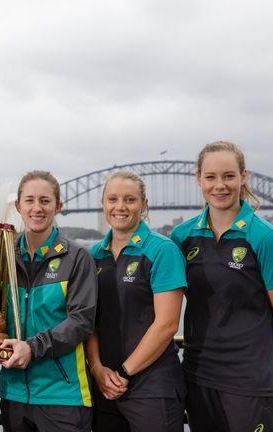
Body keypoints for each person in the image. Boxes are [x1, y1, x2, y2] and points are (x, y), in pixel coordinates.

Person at [170, 141, 273, 432]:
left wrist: (258, 364)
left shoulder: (266, 238)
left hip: (250, 381)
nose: (220, 185)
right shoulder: (181, 237)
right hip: (199, 376)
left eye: (228, 176)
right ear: (198, 179)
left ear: (243, 176)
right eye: (211, 177)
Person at [86, 171, 186, 431]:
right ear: (104, 204)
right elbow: (88, 321)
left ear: (144, 205)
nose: (120, 207)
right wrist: (97, 369)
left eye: (130, 200)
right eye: (113, 199)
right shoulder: (93, 256)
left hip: (152, 386)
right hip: (104, 386)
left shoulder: (162, 251)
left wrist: (124, 373)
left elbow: (167, 324)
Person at [0, 170, 98, 432]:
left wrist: (32, 347)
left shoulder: (77, 257)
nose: (37, 208)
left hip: (63, 395)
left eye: (45, 201)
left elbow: (81, 321)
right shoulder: (5, 257)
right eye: (29, 200)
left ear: (58, 206)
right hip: (14, 393)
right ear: (18, 206)